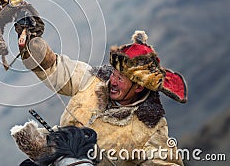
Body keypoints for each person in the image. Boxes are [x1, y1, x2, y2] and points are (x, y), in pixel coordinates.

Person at [11, 27, 188, 166]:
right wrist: (33, 49)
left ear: (139, 87)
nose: (113, 81)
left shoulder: (150, 129)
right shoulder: (93, 80)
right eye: (114, 74)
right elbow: (57, 68)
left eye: (120, 78)